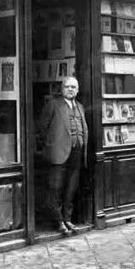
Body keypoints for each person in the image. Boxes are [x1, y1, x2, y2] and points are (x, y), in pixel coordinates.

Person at [39, 76, 88, 236]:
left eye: (74, 87)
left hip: (77, 151)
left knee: (71, 187)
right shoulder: (53, 105)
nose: (70, 89)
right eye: (67, 87)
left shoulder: (80, 107)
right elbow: (42, 128)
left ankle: (67, 219)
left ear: (78, 90)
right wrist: (52, 145)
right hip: (58, 153)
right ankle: (58, 221)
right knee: (56, 187)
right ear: (62, 89)